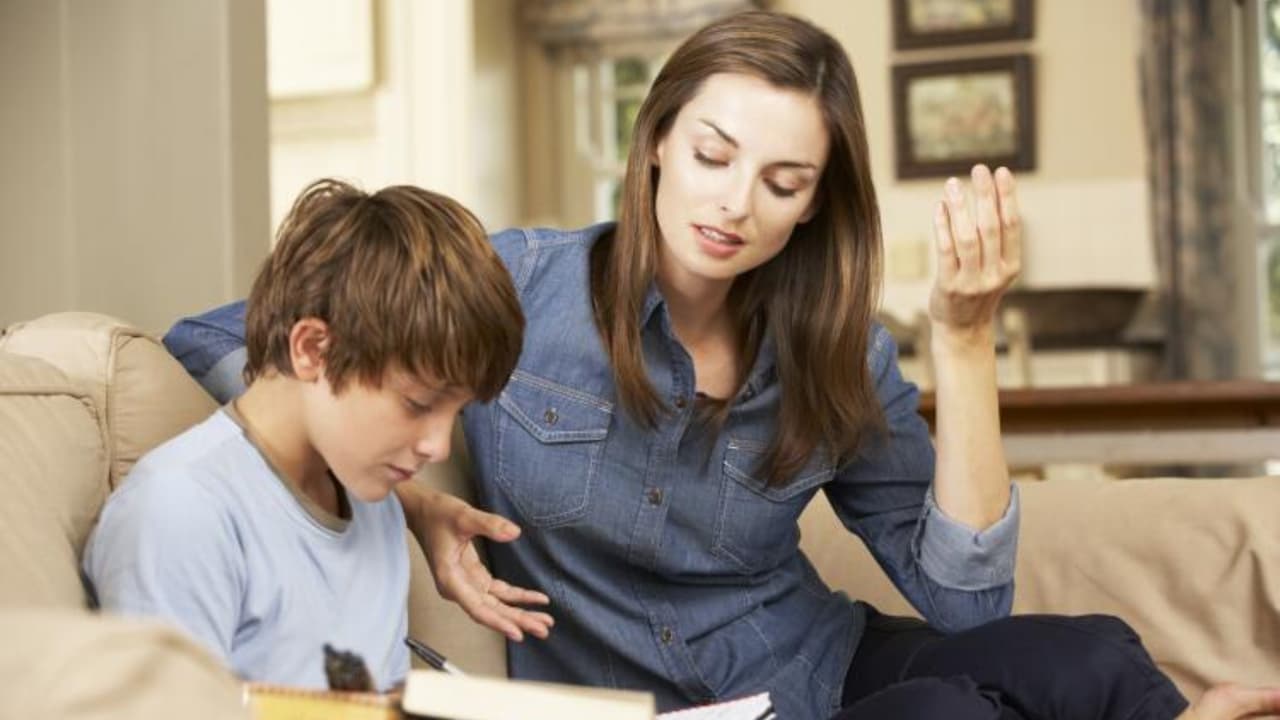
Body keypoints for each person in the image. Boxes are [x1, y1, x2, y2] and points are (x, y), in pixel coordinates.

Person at [163, 11, 1280, 720]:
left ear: (811, 210)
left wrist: (965, 336)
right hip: (642, 705)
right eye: (712, 154)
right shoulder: (518, 286)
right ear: (654, 141)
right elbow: (218, 340)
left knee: (1082, 654)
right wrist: (411, 509)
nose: (735, 203)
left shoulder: (832, 348)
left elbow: (963, 592)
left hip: (815, 665)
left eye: (783, 183)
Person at [84, 179, 534, 690]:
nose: (437, 447)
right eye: (418, 404)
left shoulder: (370, 498)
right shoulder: (180, 513)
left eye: (454, 414)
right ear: (313, 350)